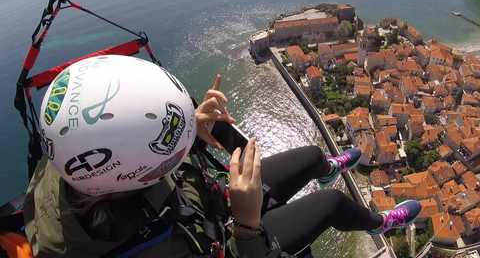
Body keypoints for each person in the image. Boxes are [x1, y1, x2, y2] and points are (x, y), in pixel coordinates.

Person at [24, 55, 422, 258]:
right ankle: (377, 225)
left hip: (208, 204)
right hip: (230, 236)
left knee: (315, 153)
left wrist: (188, 127)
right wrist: (248, 226)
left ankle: (324, 170)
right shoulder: (147, 250)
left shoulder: (73, 155)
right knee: (334, 203)